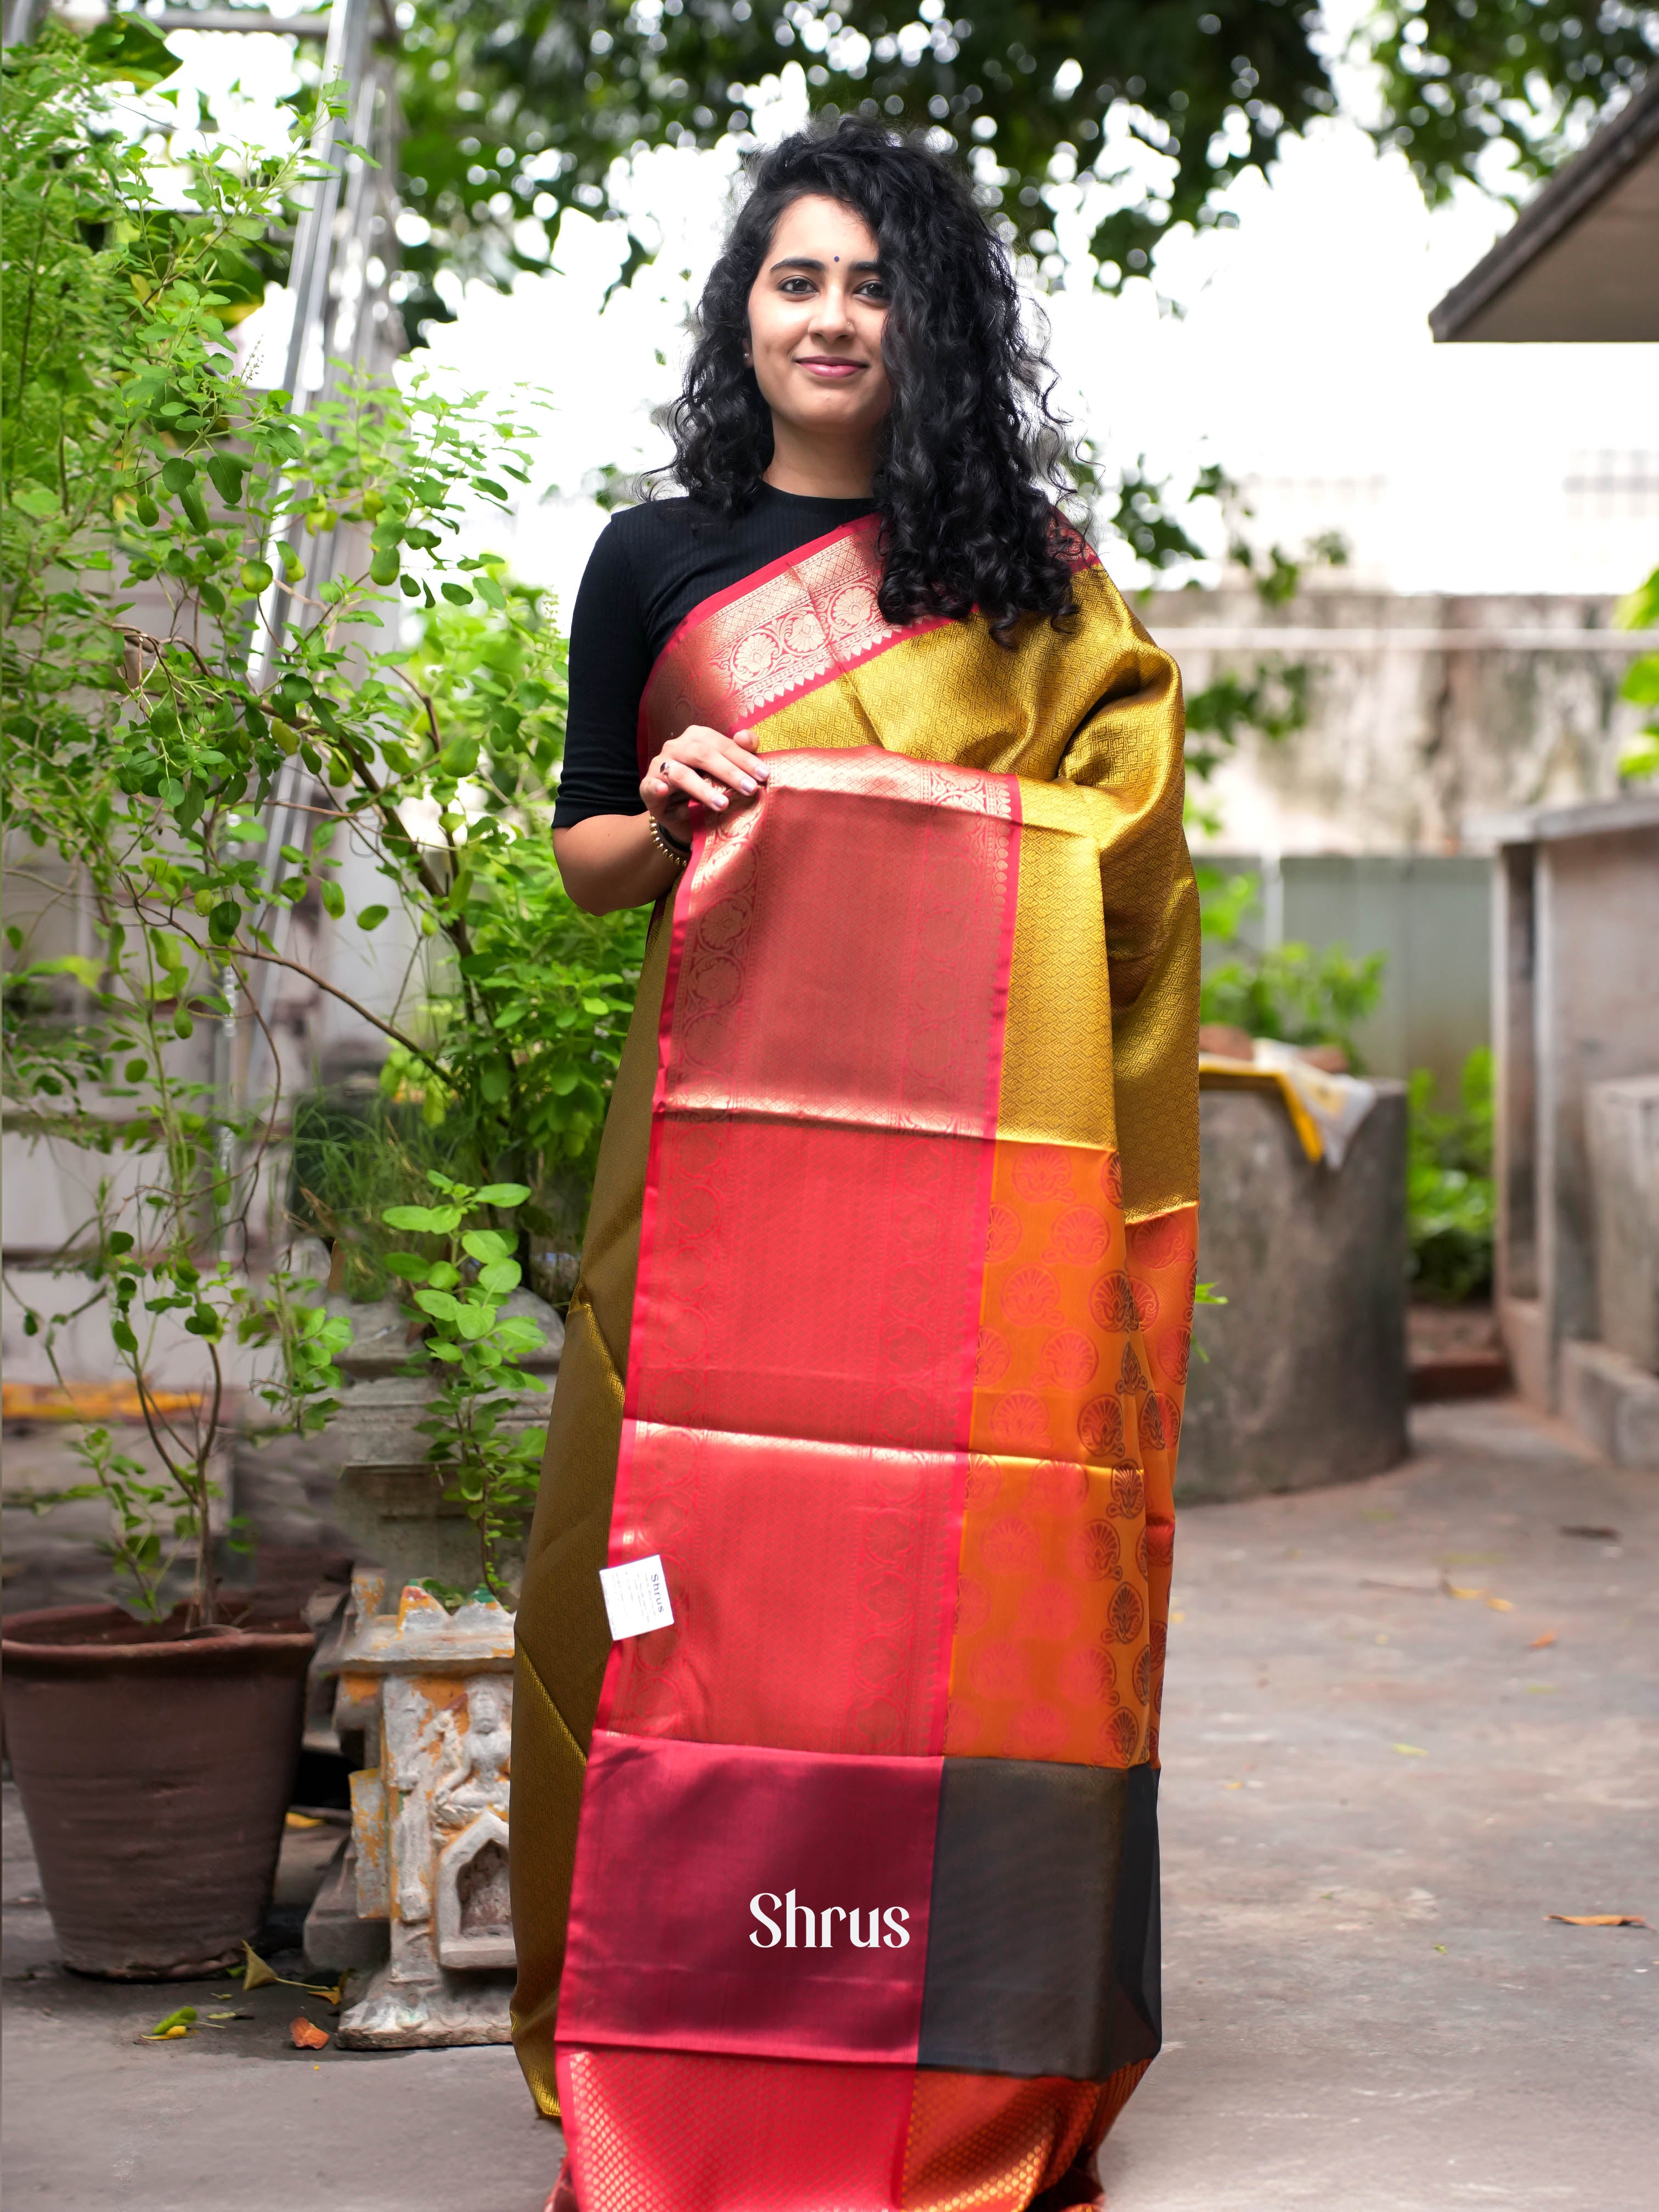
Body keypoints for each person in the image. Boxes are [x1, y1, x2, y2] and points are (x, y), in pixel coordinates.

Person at [510, 116, 1200, 2212]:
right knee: (689, 1587)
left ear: (937, 324)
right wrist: (684, 787)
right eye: (798, 278)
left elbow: (1132, 844)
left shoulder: (1026, 578)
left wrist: (908, 828)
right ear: (745, 309)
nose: (833, 317)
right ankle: (686, 2029)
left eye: (876, 283)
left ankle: (964, 2050)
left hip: (977, 1218)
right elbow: (586, 868)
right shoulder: (659, 556)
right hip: (725, 1198)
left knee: (954, 1596)